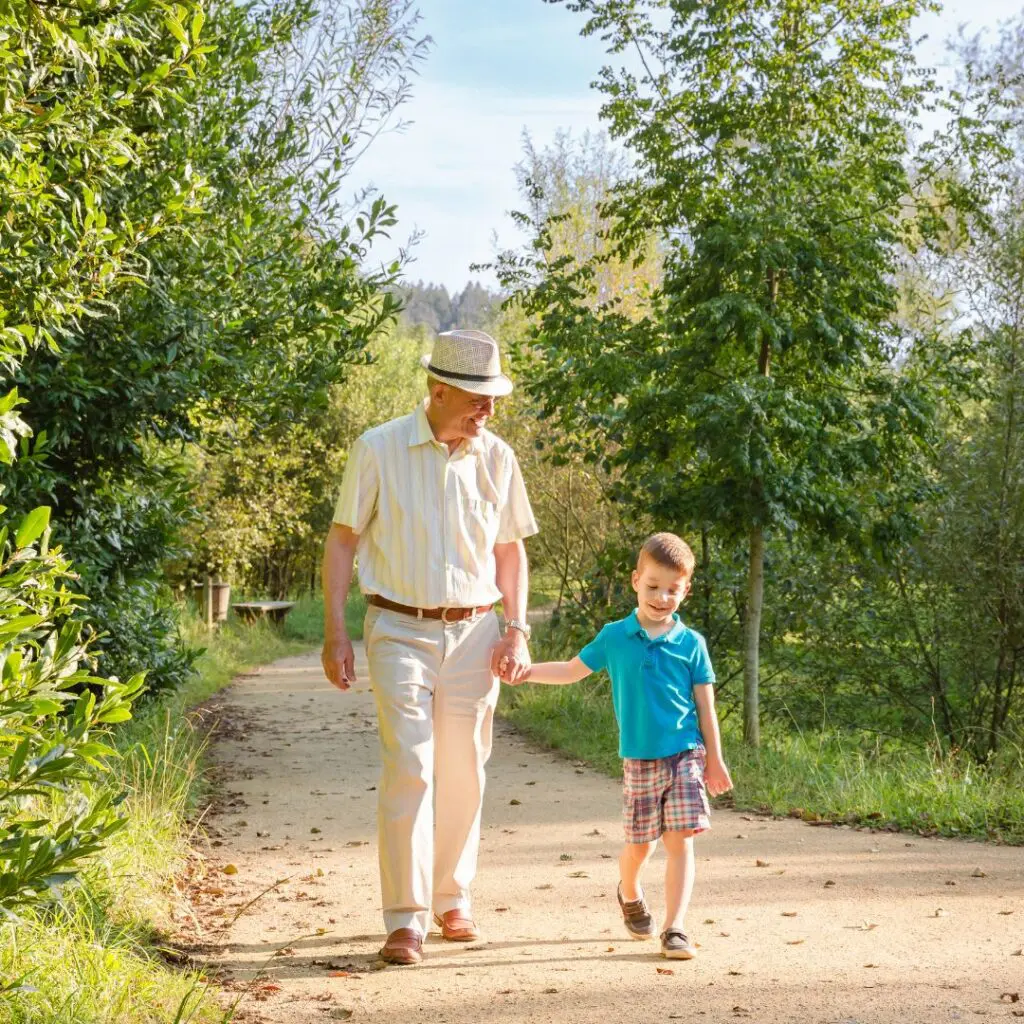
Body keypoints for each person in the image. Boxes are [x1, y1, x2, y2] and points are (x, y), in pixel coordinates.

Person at [320, 329, 538, 966]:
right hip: (398, 628)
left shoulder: (497, 458)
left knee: (464, 768)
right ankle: (405, 918)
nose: (488, 410)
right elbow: (341, 541)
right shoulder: (379, 448)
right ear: (438, 390)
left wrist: (516, 627)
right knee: (411, 764)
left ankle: (452, 898)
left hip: (475, 632)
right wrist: (336, 630)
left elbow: (509, 551)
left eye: (494, 398)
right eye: (477, 398)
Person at [516, 531, 732, 960]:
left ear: (685, 591)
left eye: (672, 589)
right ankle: (629, 890)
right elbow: (572, 670)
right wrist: (526, 672)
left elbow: (706, 709)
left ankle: (675, 927)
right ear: (636, 580)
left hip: (686, 754)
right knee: (640, 847)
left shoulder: (693, 645)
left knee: (681, 841)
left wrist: (716, 761)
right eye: (653, 586)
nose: (661, 596)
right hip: (640, 759)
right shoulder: (615, 636)